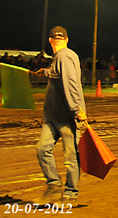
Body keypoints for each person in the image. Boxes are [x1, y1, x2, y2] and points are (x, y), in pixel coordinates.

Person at [33, 26, 87, 205]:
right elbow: (60, 75)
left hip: (67, 116)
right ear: (66, 39)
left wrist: (77, 110)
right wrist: (46, 72)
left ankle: (70, 194)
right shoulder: (61, 57)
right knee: (43, 150)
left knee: (70, 158)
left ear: (50, 40)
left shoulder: (64, 56)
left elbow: (71, 83)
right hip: (52, 117)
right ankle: (54, 185)